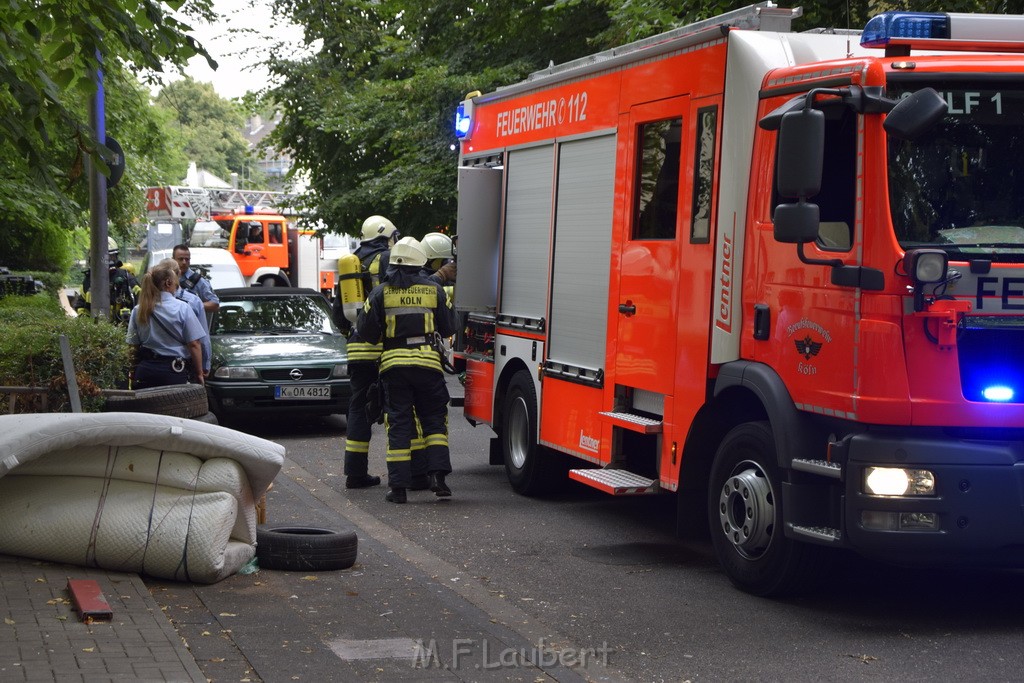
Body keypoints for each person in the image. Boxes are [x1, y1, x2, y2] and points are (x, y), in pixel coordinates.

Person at [356, 237, 458, 504]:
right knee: (434, 421)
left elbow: (365, 332)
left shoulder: (380, 293)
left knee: (399, 424)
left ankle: (398, 489)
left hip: (394, 368)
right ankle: (439, 478)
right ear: (420, 263)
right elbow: (450, 327)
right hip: (428, 366)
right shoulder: (434, 290)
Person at [335, 215, 402, 490]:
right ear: (385, 235)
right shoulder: (386, 258)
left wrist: (351, 335)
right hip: (384, 347)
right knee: (395, 409)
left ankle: (355, 475)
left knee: (358, 409)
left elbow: (340, 313)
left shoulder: (350, 263)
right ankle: (402, 476)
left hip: (357, 346)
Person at [126, 263, 206, 389]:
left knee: (143, 409)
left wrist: (132, 370)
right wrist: (199, 373)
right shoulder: (182, 308)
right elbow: (194, 344)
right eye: (176, 283)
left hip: (145, 371)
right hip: (174, 371)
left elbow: (133, 346)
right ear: (168, 283)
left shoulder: (138, 310)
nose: (176, 286)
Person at [159, 258, 211, 382]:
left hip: (150, 365)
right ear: (178, 275)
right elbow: (200, 340)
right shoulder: (191, 302)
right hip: (182, 365)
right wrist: (204, 365)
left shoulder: (145, 304)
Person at [172, 244, 220, 313]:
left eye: (187, 259)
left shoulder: (198, 281)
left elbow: (215, 304)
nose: (184, 262)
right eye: (181, 259)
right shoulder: (165, 279)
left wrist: (191, 306)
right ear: (173, 259)